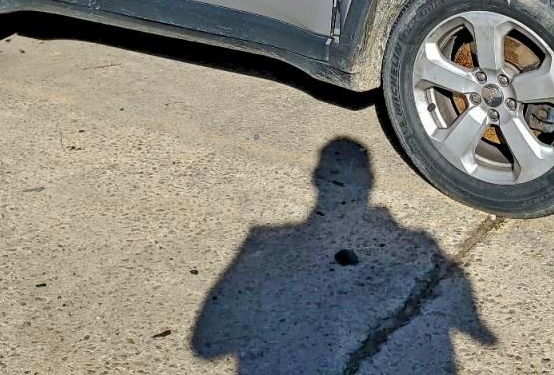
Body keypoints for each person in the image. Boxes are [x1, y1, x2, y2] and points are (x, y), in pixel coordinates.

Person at [192, 137, 495, 374]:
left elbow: (206, 345)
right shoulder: (418, 242)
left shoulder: (263, 241)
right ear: (371, 182)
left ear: (316, 178)